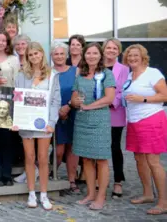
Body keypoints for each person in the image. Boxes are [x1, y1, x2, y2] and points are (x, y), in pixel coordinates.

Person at [13, 42, 61, 210]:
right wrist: (16, 120)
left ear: (42, 54)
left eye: (36, 53)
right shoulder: (21, 75)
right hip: (26, 122)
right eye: (30, 54)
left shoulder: (52, 75)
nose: (34, 57)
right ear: (27, 57)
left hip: (44, 123)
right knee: (30, 157)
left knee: (42, 158)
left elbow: (56, 101)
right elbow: (17, 98)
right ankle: (31, 193)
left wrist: (52, 122)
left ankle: (44, 194)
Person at [122, 44, 167, 215]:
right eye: (129, 56)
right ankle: (148, 194)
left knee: (153, 161)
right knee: (139, 159)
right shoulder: (129, 75)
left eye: (135, 55)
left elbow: (165, 95)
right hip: (133, 121)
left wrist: (144, 99)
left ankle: (163, 202)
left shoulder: (152, 73)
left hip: (151, 119)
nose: (132, 58)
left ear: (143, 57)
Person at [71, 42, 115, 210]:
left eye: (95, 53)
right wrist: (75, 102)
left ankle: (101, 196)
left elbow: (109, 98)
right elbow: (75, 97)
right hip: (82, 121)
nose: (91, 56)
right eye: (88, 53)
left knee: (101, 159)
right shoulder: (80, 75)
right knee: (87, 158)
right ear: (84, 55)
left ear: (100, 55)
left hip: (99, 120)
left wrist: (89, 106)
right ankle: (90, 193)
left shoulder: (107, 74)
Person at [0, 30, 20, 186]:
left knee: (7, 140)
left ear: (7, 43)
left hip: (9, 100)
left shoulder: (14, 59)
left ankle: (7, 174)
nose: (0, 42)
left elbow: (17, 80)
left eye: (3, 40)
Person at [51, 42, 80, 194]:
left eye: (62, 53)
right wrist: (58, 110)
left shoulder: (76, 71)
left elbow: (80, 91)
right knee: (59, 150)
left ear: (67, 55)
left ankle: (71, 180)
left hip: (73, 112)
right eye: (56, 54)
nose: (59, 56)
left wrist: (68, 106)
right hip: (55, 115)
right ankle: (50, 174)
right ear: (51, 56)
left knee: (73, 148)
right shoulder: (48, 73)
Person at [103, 38, 129, 199]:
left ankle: (118, 181)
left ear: (118, 51)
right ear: (103, 49)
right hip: (97, 111)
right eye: (108, 48)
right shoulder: (97, 66)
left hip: (115, 111)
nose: (111, 50)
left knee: (114, 147)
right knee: (98, 146)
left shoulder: (124, 69)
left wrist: (110, 102)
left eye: (114, 48)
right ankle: (99, 178)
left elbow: (124, 90)